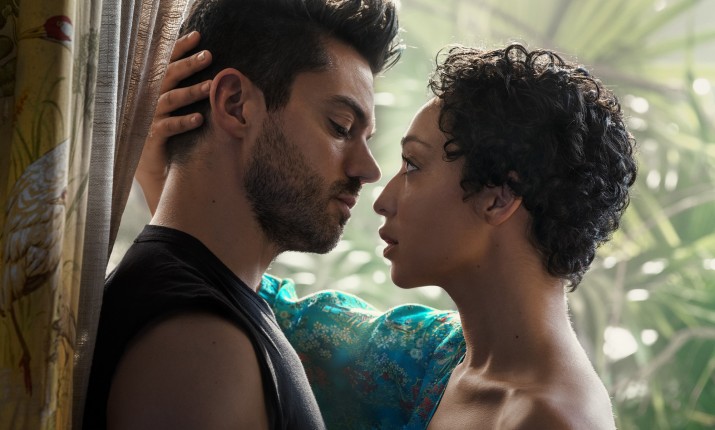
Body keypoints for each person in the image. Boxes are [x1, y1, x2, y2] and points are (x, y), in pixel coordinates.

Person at [142, 41, 637, 429]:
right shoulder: (430, 356)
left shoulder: (552, 420)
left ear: (499, 198)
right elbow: (263, 311)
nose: (382, 198)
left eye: (413, 165)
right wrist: (172, 180)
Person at [83, 0, 401, 428]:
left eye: (365, 138)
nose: (368, 169)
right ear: (235, 104)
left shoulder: (205, 305)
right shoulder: (199, 344)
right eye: (341, 127)